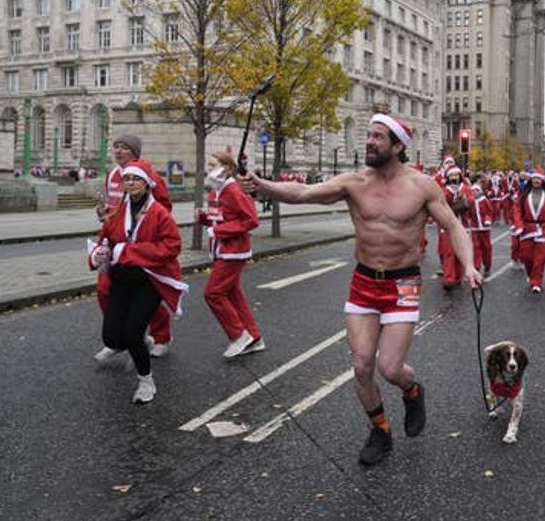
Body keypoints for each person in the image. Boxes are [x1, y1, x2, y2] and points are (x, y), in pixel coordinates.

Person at [239, 114, 481, 466]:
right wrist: (261, 184)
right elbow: (302, 193)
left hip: (403, 283)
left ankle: (412, 390)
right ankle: (380, 430)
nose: (369, 141)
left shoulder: (422, 186)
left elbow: (454, 227)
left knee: (390, 368)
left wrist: (469, 266)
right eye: (368, 135)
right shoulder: (354, 182)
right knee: (362, 365)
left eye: (378, 137)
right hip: (364, 281)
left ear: (397, 146)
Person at [89, 160, 187, 404]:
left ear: (147, 183)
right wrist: (98, 254)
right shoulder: (117, 212)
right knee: (112, 337)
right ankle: (140, 342)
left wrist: (128, 252)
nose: (131, 183)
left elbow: (172, 247)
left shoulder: (159, 213)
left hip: (148, 281)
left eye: (136, 179)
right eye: (127, 179)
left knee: (133, 332)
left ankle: (146, 382)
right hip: (121, 280)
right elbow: (105, 241)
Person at [94, 134, 173, 362]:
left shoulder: (151, 176)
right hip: (114, 242)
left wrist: (144, 219)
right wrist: (103, 214)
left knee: (146, 296)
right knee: (104, 291)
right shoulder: (112, 174)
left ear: (135, 152)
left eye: (124, 148)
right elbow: (112, 206)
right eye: (116, 147)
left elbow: (165, 207)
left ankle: (161, 336)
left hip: (140, 245)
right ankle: (119, 337)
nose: (118, 151)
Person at [197, 151, 265, 358]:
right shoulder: (215, 191)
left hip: (233, 251)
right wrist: (204, 218)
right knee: (233, 294)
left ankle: (239, 336)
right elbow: (217, 219)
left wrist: (219, 231)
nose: (209, 169)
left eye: (213, 165)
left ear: (226, 168)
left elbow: (251, 220)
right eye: (209, 165)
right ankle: (254, 337)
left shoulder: (234, 190)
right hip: (220, 250)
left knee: (213, 293)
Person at [511, 168, 545, 294]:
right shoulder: (524, 195)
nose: (536, 181)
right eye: (534, 178)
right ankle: (531, 274)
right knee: (525, 256)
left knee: (540, 258)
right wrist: (519, 225)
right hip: (527, 228)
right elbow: (517, 210)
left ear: (543, 181)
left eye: (538, 178)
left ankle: (536, 282)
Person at [469, 178, 494, 275]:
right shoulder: (471, 202)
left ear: (480, 192)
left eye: (476, 191)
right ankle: (477, 266)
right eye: (473, 191)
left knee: (486, 247)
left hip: (485, 228)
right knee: (476, 247)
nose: (474, 193)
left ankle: (487, 265)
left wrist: (487, 220)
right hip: (475, 228)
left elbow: (490, 212)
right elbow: (469, 214)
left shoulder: (484, 200)